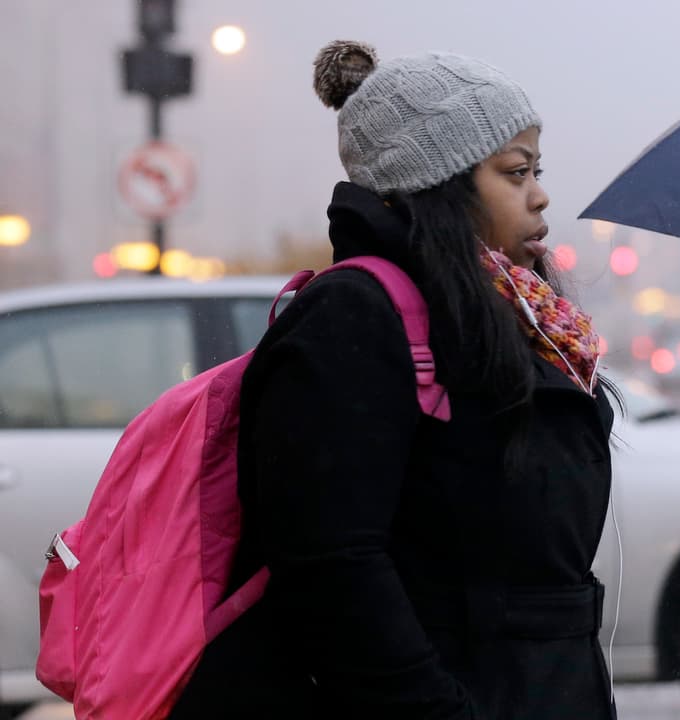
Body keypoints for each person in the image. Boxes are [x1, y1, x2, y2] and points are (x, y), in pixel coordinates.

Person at [169, 41, 618, 720]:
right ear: (439, 181)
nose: (540, 193)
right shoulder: (354, 319)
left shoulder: (511, 314)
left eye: (537, 168)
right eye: (516, 170)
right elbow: (331, 565)